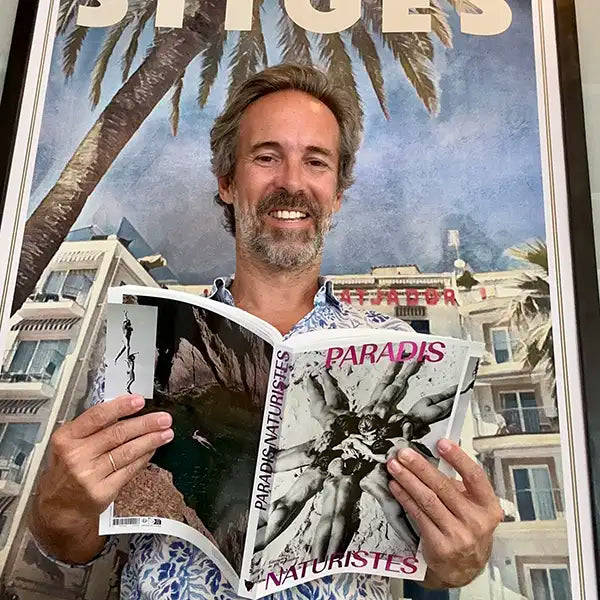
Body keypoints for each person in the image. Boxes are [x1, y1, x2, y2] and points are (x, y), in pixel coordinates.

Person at [29, 64, 503, 599]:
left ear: (337, 193)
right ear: (228, 182)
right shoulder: (142, 336)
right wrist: (60, 508)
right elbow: (73, 543)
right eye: (267, 156)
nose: (292, 183)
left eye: (316, 162)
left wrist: (460, 560)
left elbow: (431, 564)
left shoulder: (406, 357)